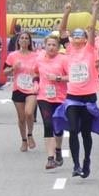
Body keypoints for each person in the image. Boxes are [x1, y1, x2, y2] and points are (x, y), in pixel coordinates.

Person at [57, 0, 99, 179]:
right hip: (72, 97)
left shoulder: (90, 50)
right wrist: (66, 12)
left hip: (88, 97)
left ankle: (87, 161)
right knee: (72, 130)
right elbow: (62, 31)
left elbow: (91, 28)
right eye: (75, 35)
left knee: (86, 133)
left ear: (86, 39)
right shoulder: (69, 49)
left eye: (81, 35)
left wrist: (94, 8)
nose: (77, 37)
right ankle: (76, 165)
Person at [36, 33, 69, 171]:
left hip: (60, 97)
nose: (51, 47)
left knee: (58, 127)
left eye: (54, 45)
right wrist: (35, 83)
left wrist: (58, 78)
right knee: (48, 124)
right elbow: (35, 73)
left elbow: (71, 77)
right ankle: (50, 158)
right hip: (43, 97)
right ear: (45, 46)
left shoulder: (63, 59)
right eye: (49, 45)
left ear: (58, 47)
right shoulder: (39, 58)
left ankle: (58, 149)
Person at [4, 30, 40, 153]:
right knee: (21, 118)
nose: (24, 40)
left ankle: (30, 135)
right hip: (18, 89)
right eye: (22, 38)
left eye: (26, 38)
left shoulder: (36, 56)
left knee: (29, 113)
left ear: (30, 42)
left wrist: (37, 76)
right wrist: (13, 68)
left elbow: (41, 70)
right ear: (18, 41)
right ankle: (24, 140)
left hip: (32, 88)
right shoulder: (12, 56)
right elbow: (4, 72)